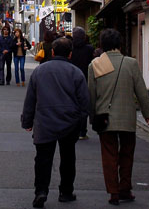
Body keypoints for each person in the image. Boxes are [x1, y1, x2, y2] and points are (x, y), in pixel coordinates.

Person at [21, 37, 90, 208]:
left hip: (44, 121)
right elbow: (85, 102)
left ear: (52, 52)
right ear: (70, 54)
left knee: (43, 159)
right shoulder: (76, 73)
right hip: (69, 122)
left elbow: (31, 99)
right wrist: (79, 120)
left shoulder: (40, 71)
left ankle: (41, 191)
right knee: (68, 158)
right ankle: (66, 192)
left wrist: (27, 121)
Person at [88, 28, 149, 206]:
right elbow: (141, 92)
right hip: (127, 117)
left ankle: (113, 192)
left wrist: (92, 116)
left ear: (102, 45)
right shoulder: (131, 63)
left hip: (104, 117)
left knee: (109, 156)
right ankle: (125, 188)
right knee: (127, 154)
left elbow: (91, 95)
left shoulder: (95, 65)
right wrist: (147, 114)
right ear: (119, 44)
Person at [71, 26, 94, 140]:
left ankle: (72, 129)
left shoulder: (71, 48)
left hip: (71, 79)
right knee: (83, 105)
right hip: (85, 78)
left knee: (72, 103)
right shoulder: (89, 49)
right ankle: (82, 132)